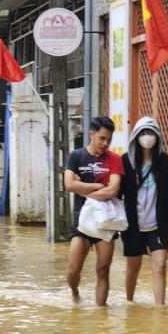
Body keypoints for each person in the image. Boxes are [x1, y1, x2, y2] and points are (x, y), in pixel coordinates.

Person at [64, 116, 124, 306]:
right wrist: (98, 186)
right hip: (81, 221)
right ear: (91, 134)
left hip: (106, 222)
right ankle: (74, 294)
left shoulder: (114, 159)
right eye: (102, 138)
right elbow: (68, 185)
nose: (105, 143)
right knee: (73, 270)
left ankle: (101, 313)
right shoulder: (76, 156)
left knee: (103, 270)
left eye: (109, 139)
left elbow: (113, 190)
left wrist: (83, 187)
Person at [119, 116, 168, 305]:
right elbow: (118, 192)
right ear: (136, 136)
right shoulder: (126, 161)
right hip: (133, 226)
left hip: (157, 225)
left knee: (160, 267)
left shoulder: (163, 161)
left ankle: (159, 308)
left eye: (151, 133)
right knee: (132, 270)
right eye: (143, 133)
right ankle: (129, 303)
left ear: (157, 136)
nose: (147, 137)